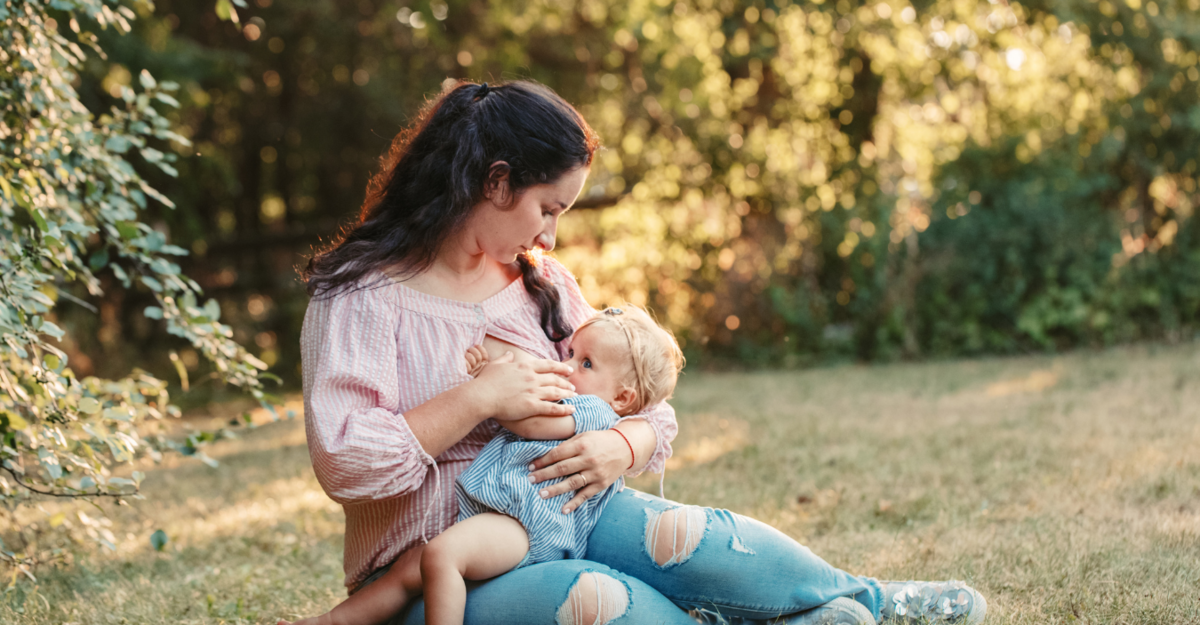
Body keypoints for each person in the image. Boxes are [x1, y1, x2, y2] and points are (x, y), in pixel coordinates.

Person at [292, 79, 987, 625]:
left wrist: (619, 447)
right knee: (598, 596)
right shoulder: (360, 298)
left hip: (569, 514)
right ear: (495, 182)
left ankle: (865, 599)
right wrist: (477, 399)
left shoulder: (541, 284)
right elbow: (348, 464)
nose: (553, 238)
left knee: (685, 536)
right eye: (548, 208)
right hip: (435, 574)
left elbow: (645, 399)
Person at [283, 306, 685, 625]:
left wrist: (491, 384)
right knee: (414, 565)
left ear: (623, 399)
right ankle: (334, 621)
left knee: (441, 556)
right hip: (501, 515)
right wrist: (487, 381)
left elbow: (526, 419)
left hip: (528, 528)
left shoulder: (594, 412)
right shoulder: (577, 396)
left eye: (586, 364)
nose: (567, 365)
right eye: (571, 353)